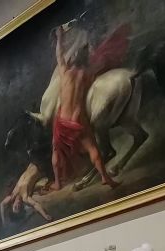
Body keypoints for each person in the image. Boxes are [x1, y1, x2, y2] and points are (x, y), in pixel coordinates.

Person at [50, 23, 118, 190]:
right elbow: (100, 64)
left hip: (62, 120)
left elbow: (59, 54)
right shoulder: (87, 74)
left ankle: (57, 182)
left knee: (56, 150)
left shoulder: (64, 72)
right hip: (78, 120)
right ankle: (105, 177)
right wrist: (93, 49)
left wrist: (60, 37)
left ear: (73, 59)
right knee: (92, 148)